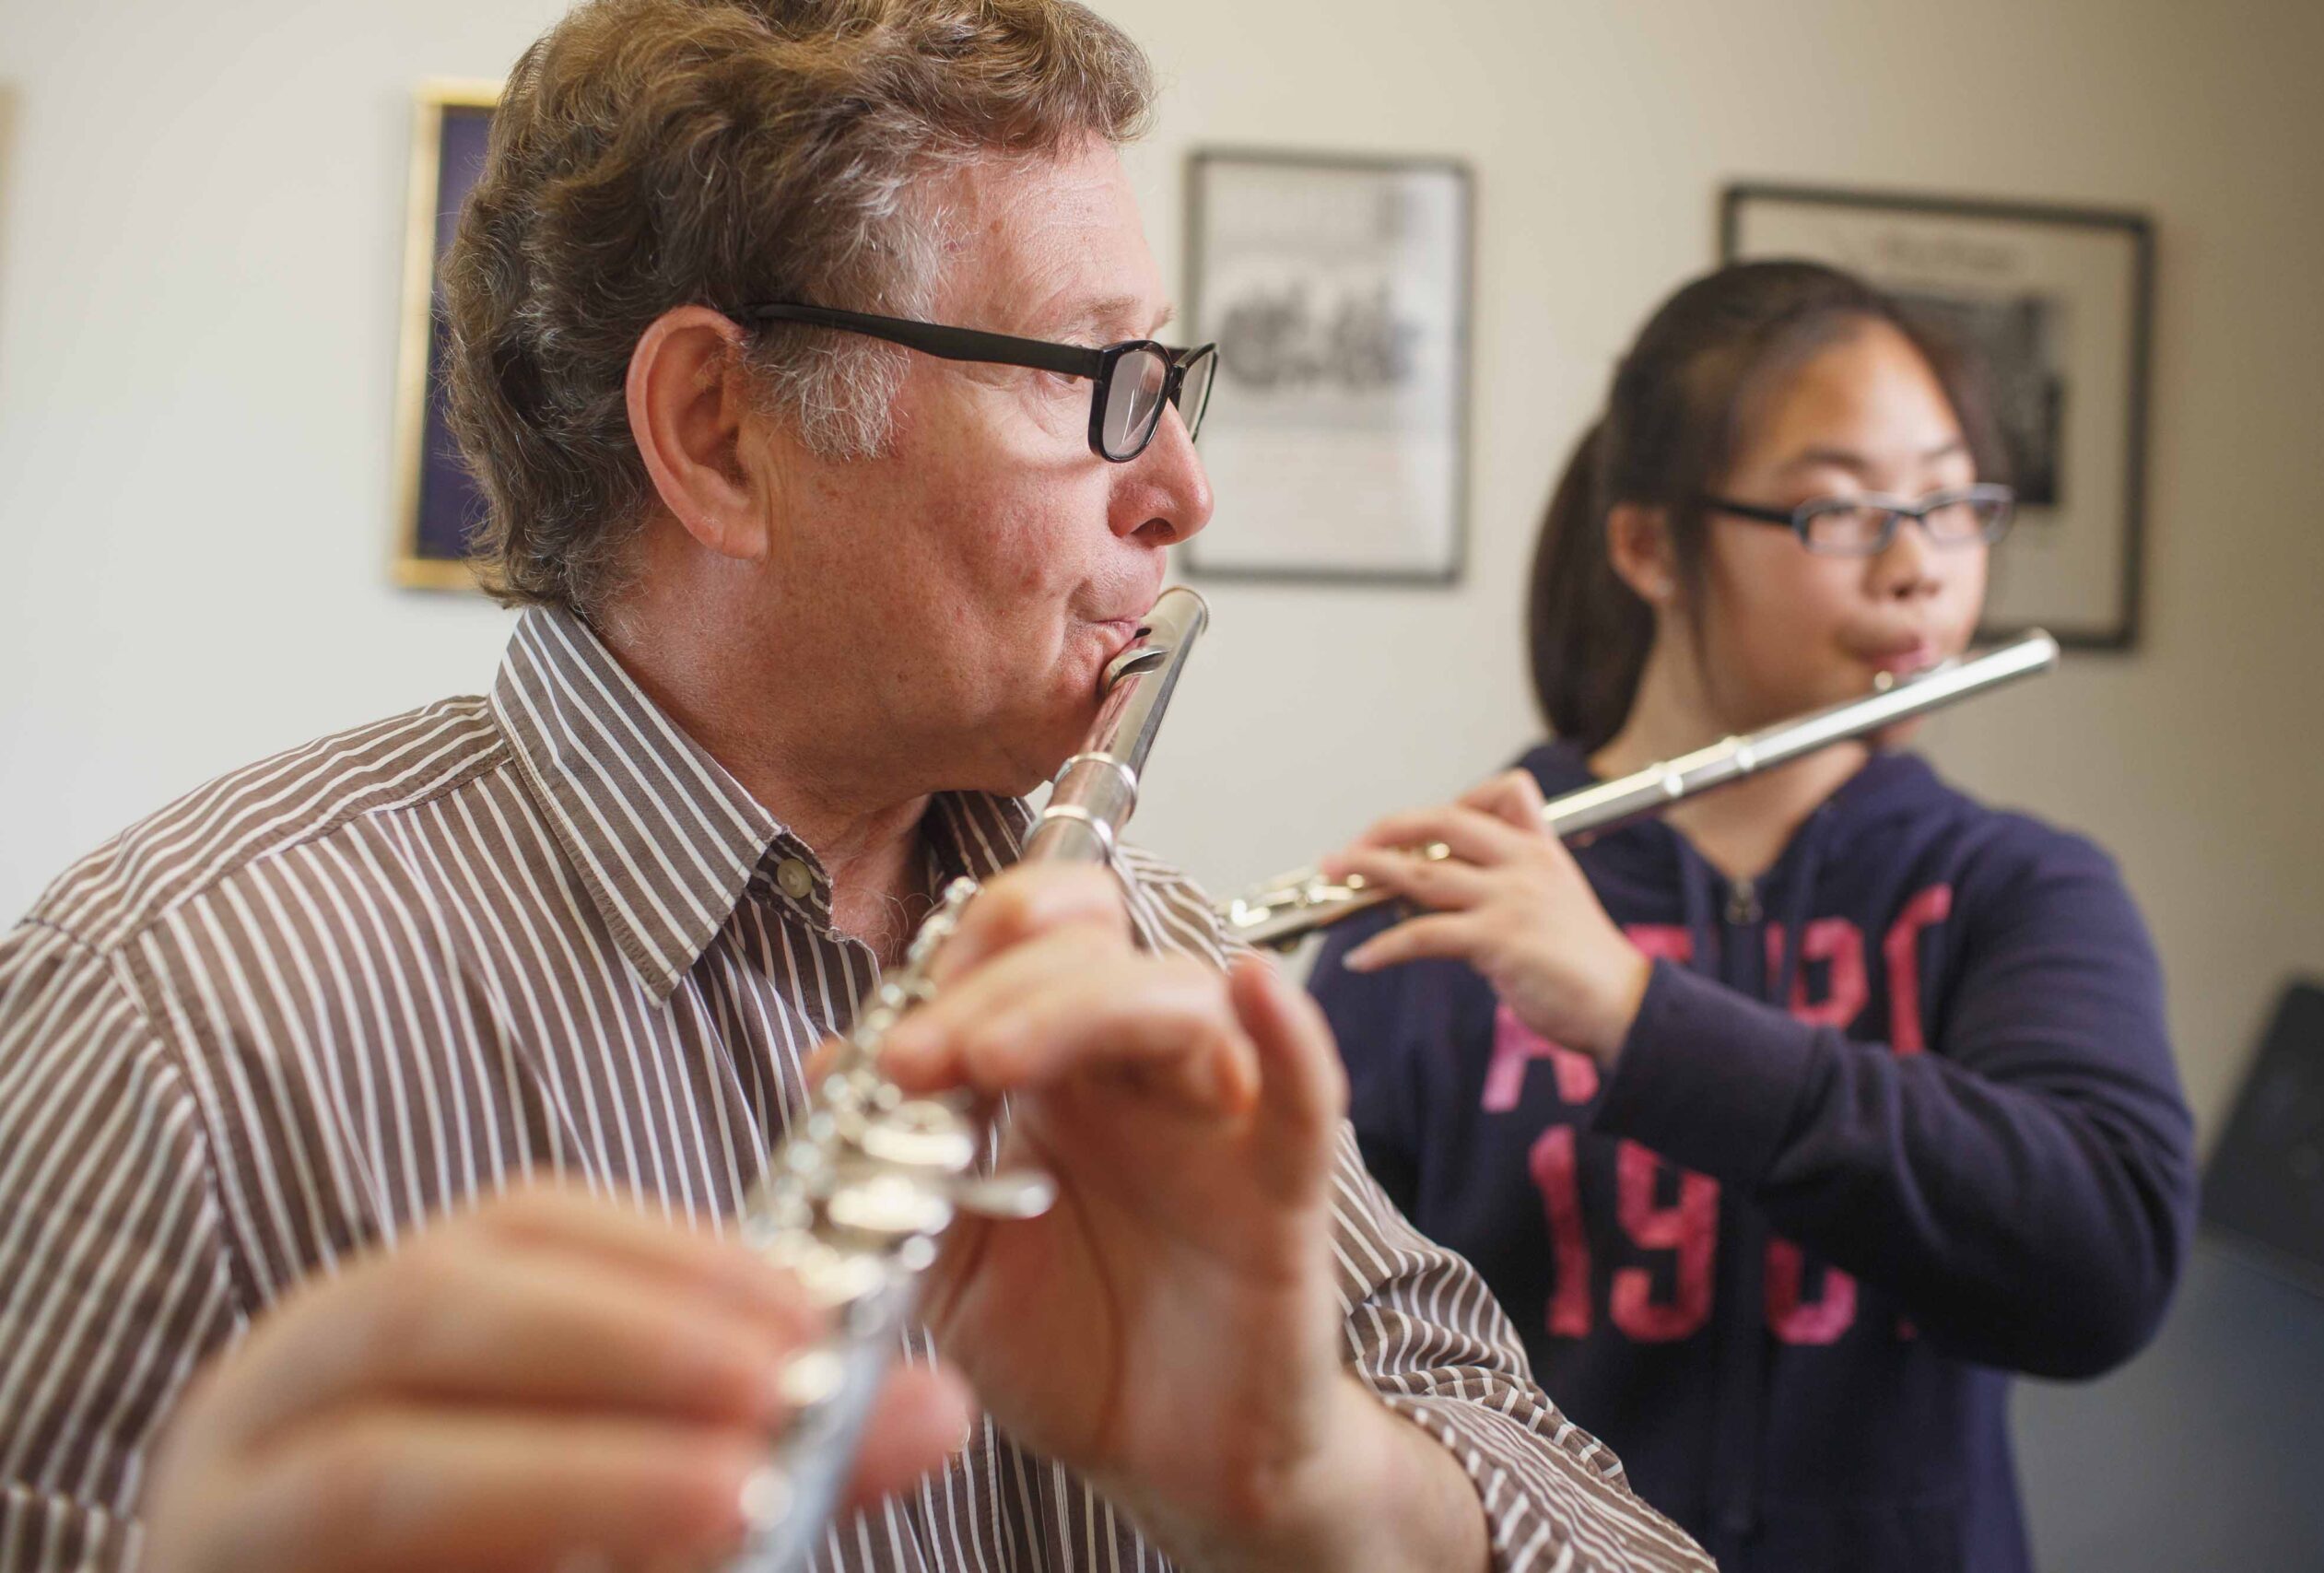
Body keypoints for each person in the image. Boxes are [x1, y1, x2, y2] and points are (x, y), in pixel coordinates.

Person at [0, 3, 1715, 1571]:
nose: (1181, 489)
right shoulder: (172, 1012)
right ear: (722, 430)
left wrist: (1317, 1485)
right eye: (1096, 381)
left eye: (1167, 381)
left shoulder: (1158, 965)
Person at [1309, 261, 2196, 1573]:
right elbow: (1328, 1356)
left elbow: (2103, 1267)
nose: (1917, 572)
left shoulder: (2017, 892)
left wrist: (1636, 1019)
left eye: (1951, 504)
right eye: (1837, 513)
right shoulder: (1462, 906)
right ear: (1651, 545)